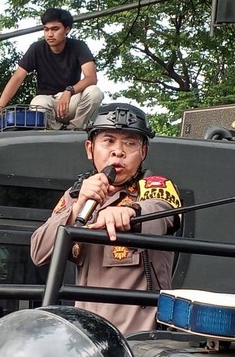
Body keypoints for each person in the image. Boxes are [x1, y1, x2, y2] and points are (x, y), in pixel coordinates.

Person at [30, 103, 181, 335]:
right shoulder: (75, 195)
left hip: (139, 338)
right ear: (90, 149)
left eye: (130, 143)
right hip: (85, 335)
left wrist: (132, 211)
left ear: (143, 152)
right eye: (108, 141)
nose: (118, 151)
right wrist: (77, 207)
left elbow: (162, 212)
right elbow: (39, 252)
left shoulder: (155, 186)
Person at [0, 8, 104, 130]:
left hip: (71, 100)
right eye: (46, 29)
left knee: (94, 92)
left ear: (67, 30)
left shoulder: (78, 46)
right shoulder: (36, 48)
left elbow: (91, 78)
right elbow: (17, 77)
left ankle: (75, 129)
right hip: (48, 103)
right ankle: (57, 132)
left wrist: (69, 91)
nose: (49, 34)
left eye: (55, 29)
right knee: (38, 103)